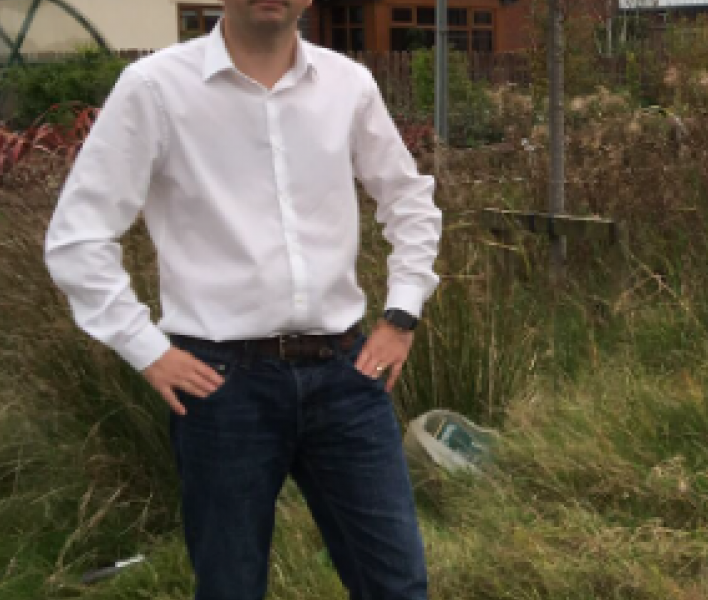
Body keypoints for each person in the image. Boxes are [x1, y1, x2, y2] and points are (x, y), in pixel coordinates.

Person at [42, 0, 442, 598]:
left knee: (397, 584)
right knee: (230, 587)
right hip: (221, 385)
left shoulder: (348, 84)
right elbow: (78, 238)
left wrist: (402, 316)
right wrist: (147, 348)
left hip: (345, 375)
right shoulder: (155, 88)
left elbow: (409, 203)